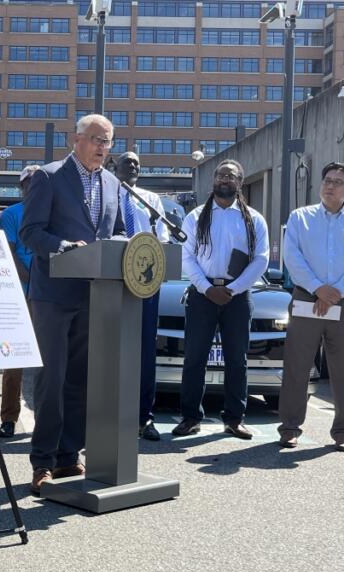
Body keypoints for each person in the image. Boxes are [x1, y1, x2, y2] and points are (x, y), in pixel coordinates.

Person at [20, 114, 124, 495]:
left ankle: (68, 454)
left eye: (108, 142)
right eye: (96, 139)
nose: (102, 147)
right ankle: (42, 460)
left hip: (94, 294)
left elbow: (112, 234)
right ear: (76, 139)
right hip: (53, 295)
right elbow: (30, 232)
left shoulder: (113, 183)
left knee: (81, 378)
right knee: (52, 378)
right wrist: (64, 248)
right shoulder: (48, 177)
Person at [173, 159, 269, 439]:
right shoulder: (196, 217)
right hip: (202, 295)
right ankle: (191, 417)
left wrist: (234, 289)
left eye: (231, 176)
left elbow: (261, 260)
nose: (224, 179)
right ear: (213, 180)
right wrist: (206, 288)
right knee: (194, 358)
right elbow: (185, 256)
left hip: (237, 297)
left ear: (240, 183)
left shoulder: (253, 219)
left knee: (237, 360)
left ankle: (234, 418)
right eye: (220, 175)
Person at [278, 162, 344, 450]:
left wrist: (335, 292)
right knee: (297, 367)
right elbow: (292, 258)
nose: (330, 185)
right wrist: (319, 289)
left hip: (342, 301)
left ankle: (341, 431)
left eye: (338, 182)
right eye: (327, 180)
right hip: (307, 300)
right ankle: (290, 427)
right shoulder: (300, 217)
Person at [115, 151, 170, 442]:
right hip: (110, 282)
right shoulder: (105, 194)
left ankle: (143, 418)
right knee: (110, 350)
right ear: (115, 166)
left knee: (144, 352)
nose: (133, 166)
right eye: (127, 161)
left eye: (136, 163)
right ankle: (108, 416)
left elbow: (162, 239)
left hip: (145, 283)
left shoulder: (150, 199)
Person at [0, 165, 38, 438]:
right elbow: (9, 255)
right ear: (22, 187)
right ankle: (9, 418)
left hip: (49, 296)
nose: (34, 187)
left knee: (51, 359)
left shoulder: (54, 215)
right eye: (29, 183)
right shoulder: (11, 215)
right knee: (15, 359)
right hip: (20, 293)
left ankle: (47, 416)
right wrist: (33, 282)